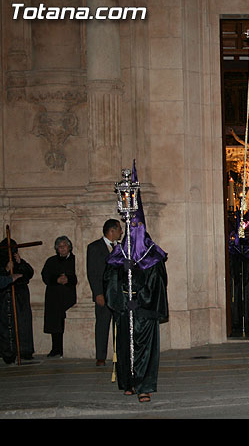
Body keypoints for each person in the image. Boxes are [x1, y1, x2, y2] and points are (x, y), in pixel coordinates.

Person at [103, 163, 168, 403]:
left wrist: (140, 302)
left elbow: (159, 283)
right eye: (132, 227)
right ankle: (129, 381)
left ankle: (144, 386)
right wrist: (121, 300)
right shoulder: (119, 254)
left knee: (145, 350)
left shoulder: (151, 255)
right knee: (125, 346)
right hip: (125, 309)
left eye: (138, 227)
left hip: (144, 311)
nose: (135, 231)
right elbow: (108, 280)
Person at [86, 218, 122, 366]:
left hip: (118, 294)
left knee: (118, 325)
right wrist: (97, 293)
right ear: (111, 231)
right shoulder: (94, 247)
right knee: (102, 324)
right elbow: (92, 272)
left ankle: (118, 355)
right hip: (103, 294)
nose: (121, 232)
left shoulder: (120, 248)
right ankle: (100, 356)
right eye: (119, 229)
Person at [41, 236, 77, 358]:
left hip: (68, 295)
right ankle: (56, 348)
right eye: (60, 247)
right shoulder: (51, 261)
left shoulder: (75, 260)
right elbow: (45, 275)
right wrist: (56, 279)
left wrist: (68, 279)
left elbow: (78, 275)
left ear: (69, 247)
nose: (62, 249)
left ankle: (63, 349)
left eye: (64, 246)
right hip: (54, 296)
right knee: (54, 323)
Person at [0, 237, 35, 363]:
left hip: (20, 298)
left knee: (23, 324)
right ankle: (8, 353)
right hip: (5, 298)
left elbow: (29, 273)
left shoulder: (18, 260)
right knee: (7, 326)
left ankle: (25, 351)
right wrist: (6, 270)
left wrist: (20, 263)